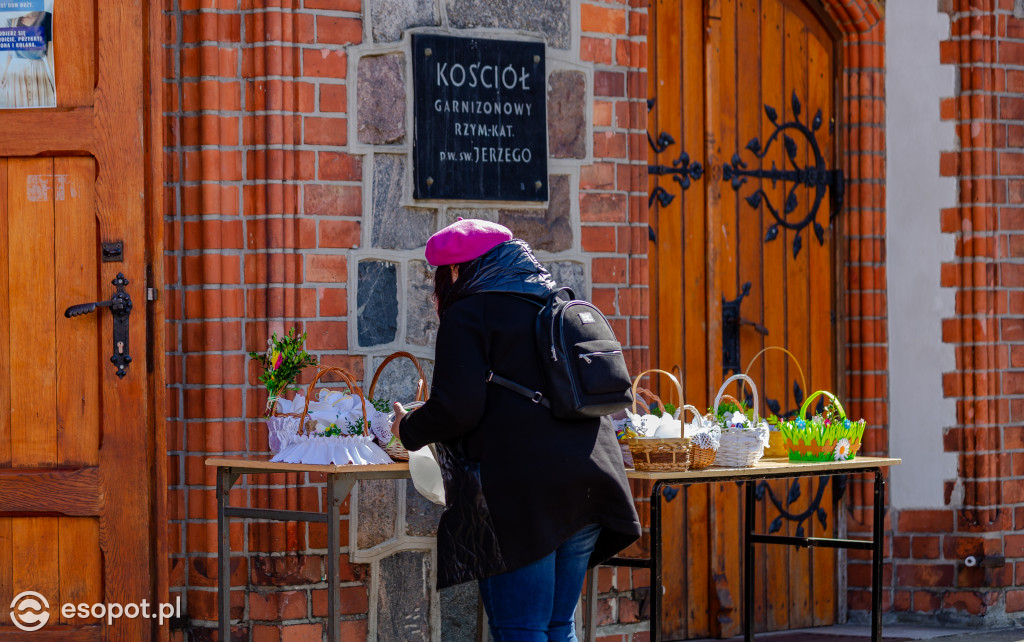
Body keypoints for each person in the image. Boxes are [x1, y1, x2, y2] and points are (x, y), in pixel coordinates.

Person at [392, 218, 641, 641]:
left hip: (525, 497)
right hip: (592, 480)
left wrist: (407, 428)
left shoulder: (468, 311)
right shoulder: (557, 300)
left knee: (521, 629)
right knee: (559, 625)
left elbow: (457, 408)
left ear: (455, 270)